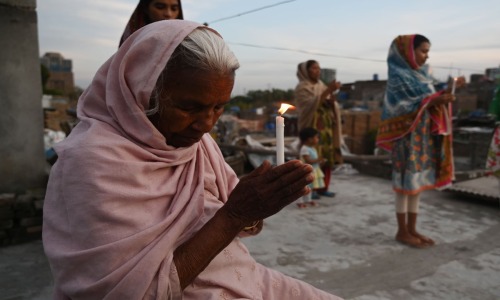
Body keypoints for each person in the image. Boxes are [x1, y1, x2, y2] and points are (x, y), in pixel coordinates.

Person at [42, 20, 342, 299]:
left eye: (219, 107)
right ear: (141, 93)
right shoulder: (90, 162)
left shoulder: (196, 146)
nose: (206, 124)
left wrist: (259, 203)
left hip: (241, 279)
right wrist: (235, 214)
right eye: (189, 108)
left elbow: (238, 218)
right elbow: (132, 293)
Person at [376, 34, 465, 249]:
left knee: (416, 186)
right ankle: (401, 231)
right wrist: (436, 99)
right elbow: (402, 107)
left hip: (423, 138)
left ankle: (412, 229)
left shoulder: (422, 76)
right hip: (405, 139)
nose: (426, 56)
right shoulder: (399, 77)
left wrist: (446, 94)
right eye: (423, 51)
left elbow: (428, 100)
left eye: (427, 52)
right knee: (404, 186)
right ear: (408, 51)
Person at [295, 60, 343, 198]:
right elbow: (308, 106)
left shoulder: (322, 85)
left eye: (319, 68)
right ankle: (310, 190)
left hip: (326, 129)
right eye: (314, 68)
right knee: (311, 159)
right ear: (306, 71)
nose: (318, 71)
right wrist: (329, 90)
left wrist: (331, 101)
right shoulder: (302, 88)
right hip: (312, 128)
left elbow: (325, 102)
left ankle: (323, 187)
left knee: (326, 157)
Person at [119, 0, 183, 46]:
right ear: (146, 9)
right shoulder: (130, 45)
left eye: (174, 9)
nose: (168, 14)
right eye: (160, 7)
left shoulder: (184, 45)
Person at [297, 127, 325, 208]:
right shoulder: (304, 149)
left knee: (310, 186)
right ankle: (300, 201)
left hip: (313, 170)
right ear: (309, 139)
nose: (318, 139)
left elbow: (314, 162)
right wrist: (318, 159)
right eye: (317, 137)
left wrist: (320, 162)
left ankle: (308, 199)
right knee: (303, 186)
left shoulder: (312, 148)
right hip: (306, 171)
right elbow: (308, 161)